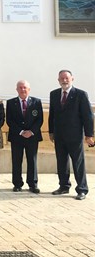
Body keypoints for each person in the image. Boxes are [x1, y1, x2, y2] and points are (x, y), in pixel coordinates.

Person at [49, 70, 94, 200]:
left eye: (67, 78)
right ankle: (64, 186)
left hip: (75, 136)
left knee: (78, 163)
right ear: (58, 80)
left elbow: (88, 116)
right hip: (59, 135)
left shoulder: (80, 94)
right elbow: (52, 114)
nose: (64, 80)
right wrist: (51, 131)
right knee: (61, 162)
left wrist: (89, 134)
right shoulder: (54, 94)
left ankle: (82, 189)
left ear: (72, 79)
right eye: (62, 78)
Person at [6, 80, 43, 193]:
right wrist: (21, 131)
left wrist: (31, 131)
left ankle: (33, 184)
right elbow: (9, 120)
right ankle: (17, 184)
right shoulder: (11, 103)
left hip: (32, 137)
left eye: (25, 87)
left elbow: (40, 119)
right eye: (20, 87)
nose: (23, 89)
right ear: (17, 89)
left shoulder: (36, 102)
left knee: (32, 160)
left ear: (29, 89)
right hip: (17, 136)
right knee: (17, 160)